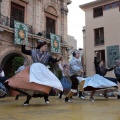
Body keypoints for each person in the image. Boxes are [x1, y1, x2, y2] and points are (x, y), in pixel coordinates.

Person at [6, 40, 63, 105]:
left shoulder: (47, 55)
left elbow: (53, 61)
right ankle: (27, 100)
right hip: (34, 70)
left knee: (45, 84)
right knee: (32, 84)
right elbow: (24, 51)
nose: (46, 48)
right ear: (41, 46)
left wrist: (58, 59)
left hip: (43, 71)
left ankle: (46, 98)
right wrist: (23, 45)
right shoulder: (33, 52)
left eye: (46, 47)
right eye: (45, 46)